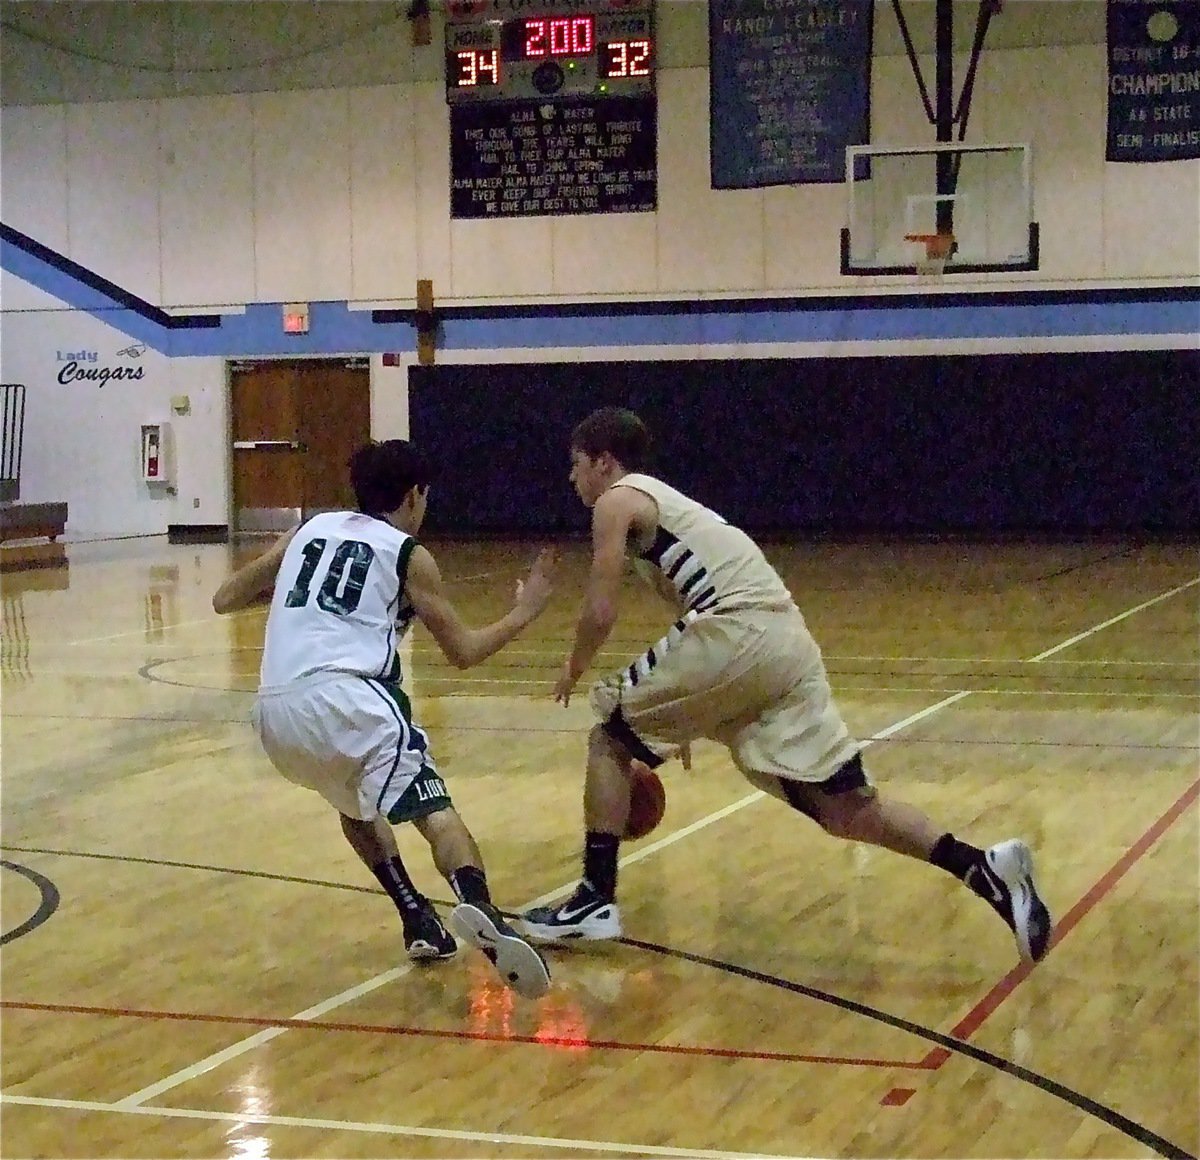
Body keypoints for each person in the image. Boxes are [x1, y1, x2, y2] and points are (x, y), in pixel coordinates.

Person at [521, 407, 1052, 965]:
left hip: (741, 628)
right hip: (784, 643)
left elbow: (601, 610)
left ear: (605, 461)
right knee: (843, 807)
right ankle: (984, 868)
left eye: (576, 465)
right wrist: (688, 715)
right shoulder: (670, 508)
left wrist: (574, 667)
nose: (572, 478)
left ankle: (594, 901)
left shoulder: (617, 499)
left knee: (608, 731)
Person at [213, 439, 555, 999]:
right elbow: (464, 653)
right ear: (416, 494)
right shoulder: (407, 553)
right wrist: (525, 611)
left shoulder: (308, 530)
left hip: (274, 714)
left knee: (352, 799)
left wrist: (300, 601)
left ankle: (418, 917)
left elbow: (226, 599)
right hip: (349, 699)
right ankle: (480, 905)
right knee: (433, 809)